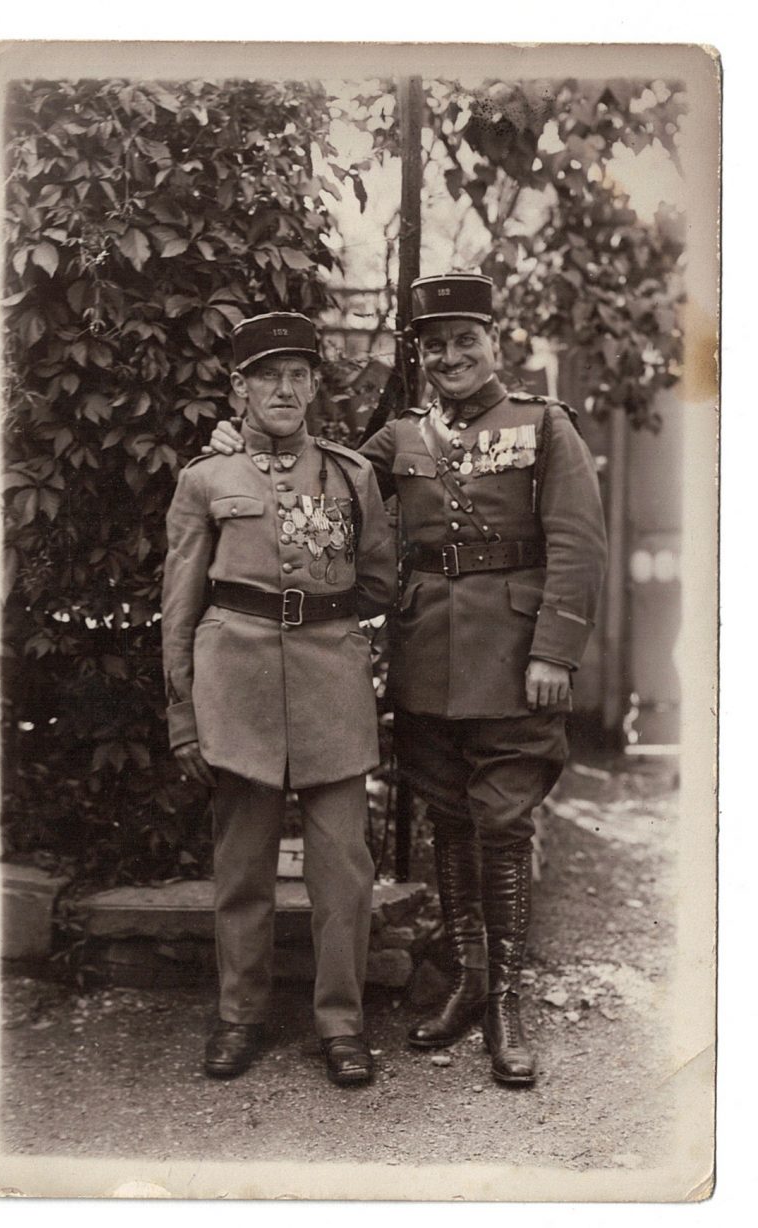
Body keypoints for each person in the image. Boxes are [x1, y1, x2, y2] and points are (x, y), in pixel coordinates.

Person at [208, 275, 607, 1086]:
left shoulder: (543, 426)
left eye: (467, 339)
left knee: (504, 822)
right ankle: (463, 981)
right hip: (428, 663)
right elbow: (323, 484)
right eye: (436, 345)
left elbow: (577, 545)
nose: (451, 357)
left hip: (515, 662)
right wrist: (237, 450)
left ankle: (506, 1001)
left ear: (497, 341)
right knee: (449, 818)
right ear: (419, 356)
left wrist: (555, 654)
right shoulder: (399, 440)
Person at [162, 311, 397, 1086]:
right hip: (239, 688)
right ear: (240, 390)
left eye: (299, 374)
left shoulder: (350, 475)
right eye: (268, 375)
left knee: (342, 868)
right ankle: (239, 1016)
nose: (285, 389)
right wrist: (183, 713)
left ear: (316, 386)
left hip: (330, 683)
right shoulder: (207, 480)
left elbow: (378, 583)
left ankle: (341, 1024)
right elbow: (180, 604)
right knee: (242, 868)